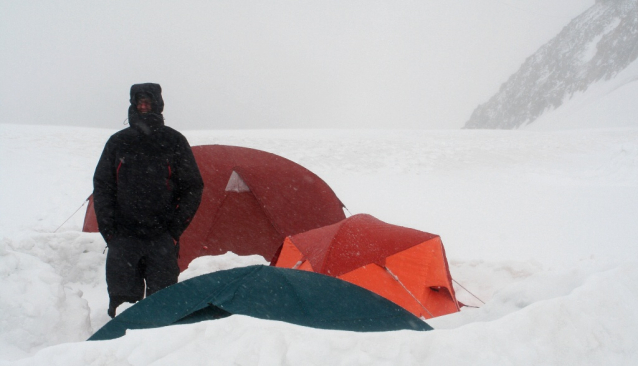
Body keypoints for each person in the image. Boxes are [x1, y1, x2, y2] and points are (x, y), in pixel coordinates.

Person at [93, 83, 204, 318]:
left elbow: (193, 187)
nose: (144, 106)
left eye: (148, 102)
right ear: (133, 105)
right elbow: (102, 186)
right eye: (139, 102)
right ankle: (117, 351)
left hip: (161, 238)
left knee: (163, 308)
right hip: (123, 238)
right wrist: (109, 230)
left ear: (158, 105)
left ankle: (158, 352)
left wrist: (174, 230)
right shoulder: (118, 142)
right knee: (123, 308)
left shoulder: (174, 141)